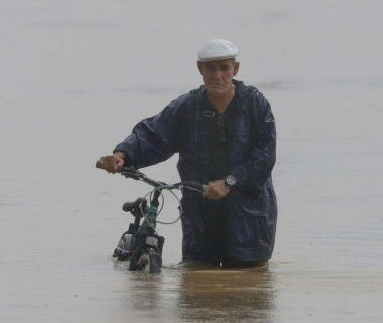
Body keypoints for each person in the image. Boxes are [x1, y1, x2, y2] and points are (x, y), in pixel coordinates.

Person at [97, 39, 277, 267]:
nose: (217, 75)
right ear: (200, 69)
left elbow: (264, 157)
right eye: (210, 68)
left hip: (249, 220)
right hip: (200, 218)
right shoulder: (187, 107)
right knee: (195, 284)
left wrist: (229, 182)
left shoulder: (256, 105)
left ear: (236, 69)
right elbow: (152, 135)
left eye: (224, 68)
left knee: (247, 289)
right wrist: (122, 155)